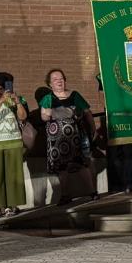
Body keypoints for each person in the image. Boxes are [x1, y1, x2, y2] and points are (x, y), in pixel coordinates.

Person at [39, 69, 97, 204]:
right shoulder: (48, 98)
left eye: (61, 78)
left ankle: (92, 192)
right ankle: (65, 195)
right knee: (61, 167)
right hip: (57, 139)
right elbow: (44, 117)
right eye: (55, 79)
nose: (59, 81)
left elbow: (87, 113)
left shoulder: (75, 95)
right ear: (50, 84)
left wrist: (93, 129)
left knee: (81, 163)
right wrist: (60, 112)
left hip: (76, 137)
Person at [0, 72, 27, 218]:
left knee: (13, 176)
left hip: (14, 142)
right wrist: (1, 100)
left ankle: (12, 206)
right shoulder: (1, 100)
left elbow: (23, 117)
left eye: (0, 89)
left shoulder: (13, 99)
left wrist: (17, 102)